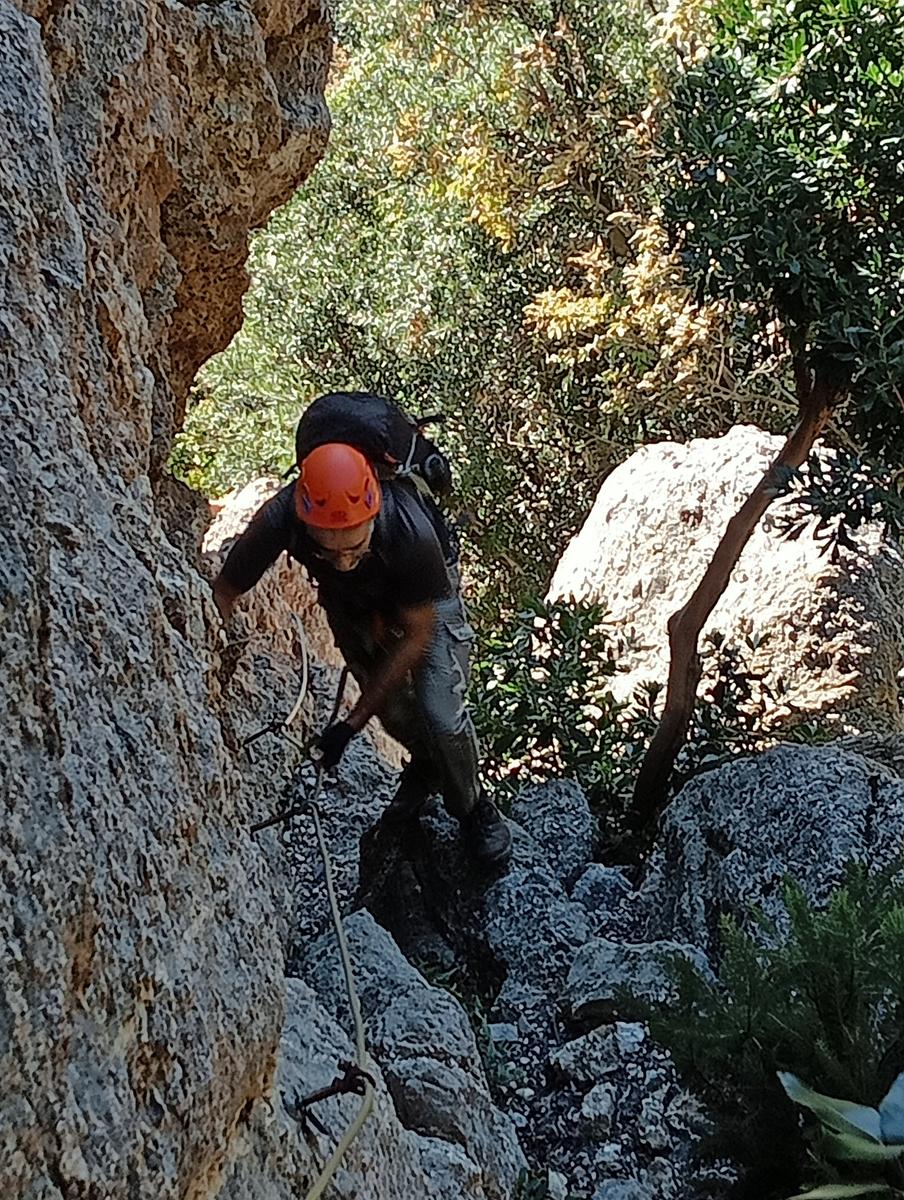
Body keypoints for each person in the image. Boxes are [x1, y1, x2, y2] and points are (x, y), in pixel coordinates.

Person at [212, 428, 513, 868]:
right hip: (351, 602)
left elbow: (417, 636)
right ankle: (429, 767)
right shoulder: (280, 519)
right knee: (394, 713)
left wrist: (351, 724)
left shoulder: (410, 534)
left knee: (441, 713)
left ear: (373, 512)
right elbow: (224, 592)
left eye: (354, 547)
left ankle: (473, 809)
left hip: (425, 603)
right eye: (329, 552)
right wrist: (210, 664)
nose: (343, 562)